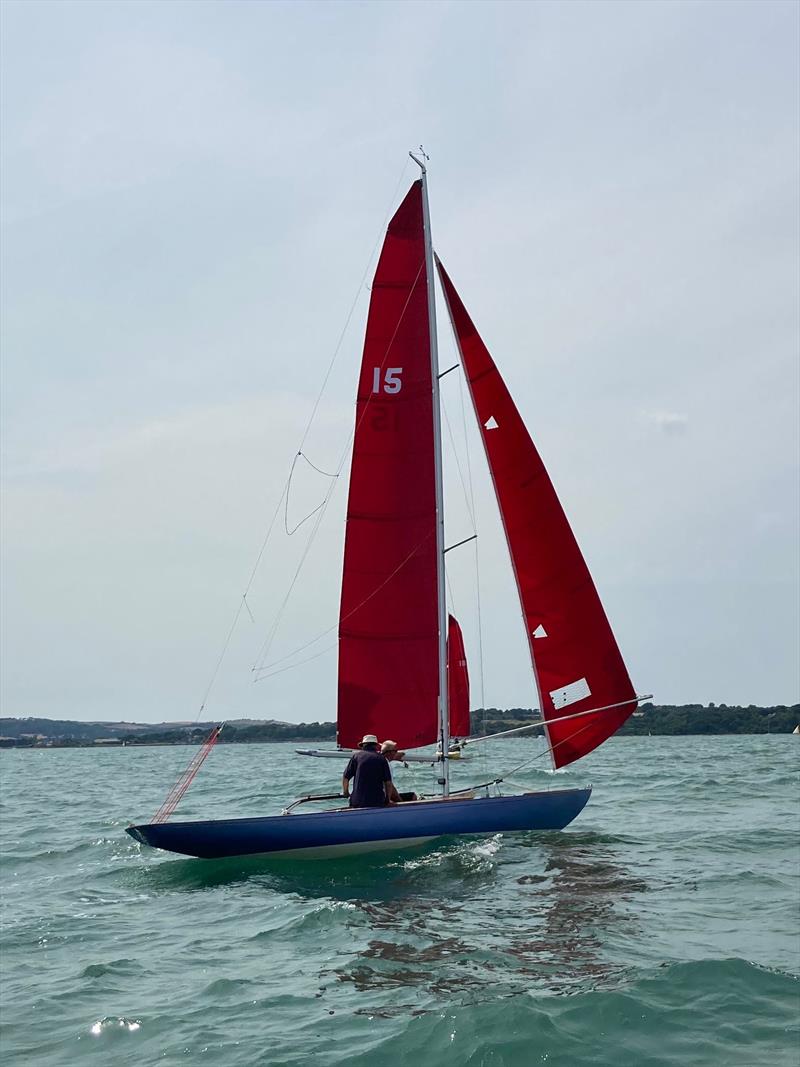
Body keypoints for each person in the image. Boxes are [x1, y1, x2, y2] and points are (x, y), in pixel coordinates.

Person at [342, 734, 394, 808]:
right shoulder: (382, 759)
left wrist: (346, 792)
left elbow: (345, 777)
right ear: (376, 746)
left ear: (363, 745)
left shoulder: (356, 757)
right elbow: (388, 783)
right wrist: (387, 799)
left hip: (357, 802)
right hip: (377, 802)